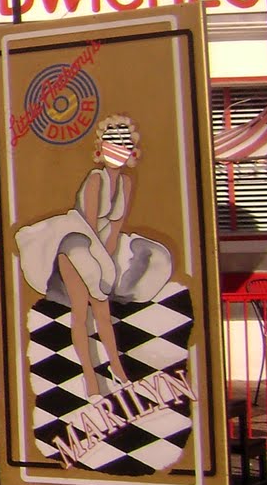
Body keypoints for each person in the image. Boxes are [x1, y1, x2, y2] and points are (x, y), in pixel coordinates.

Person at [15, 115, 173, 397]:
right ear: (101, 149)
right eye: (113, 144)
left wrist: (109, 258)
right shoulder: (95, 179)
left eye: (124, 144)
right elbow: (87, 224)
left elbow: (115, 225)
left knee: (103, 310)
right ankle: (89, 377)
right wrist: (101, 262)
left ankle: (116, 368)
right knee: (82, 309)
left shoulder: (125, 182)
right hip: (75, 242)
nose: (119, 150)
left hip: (101, 246)